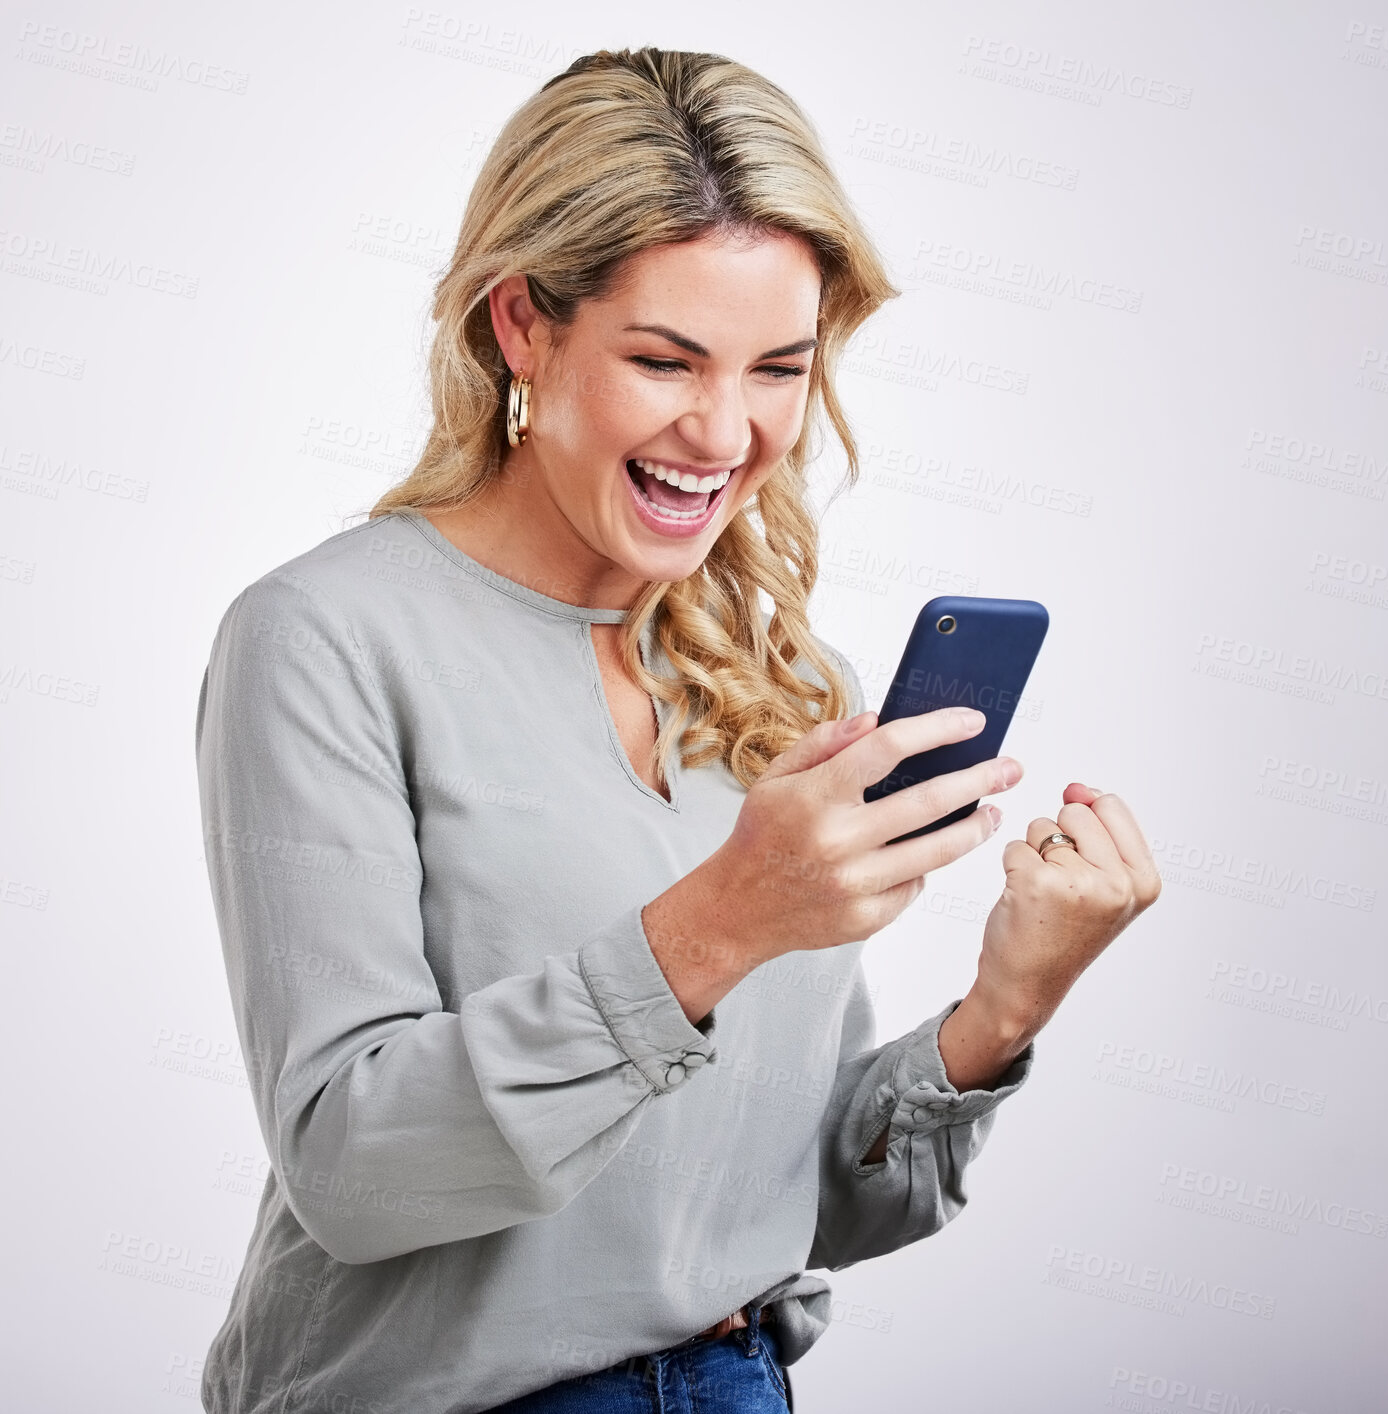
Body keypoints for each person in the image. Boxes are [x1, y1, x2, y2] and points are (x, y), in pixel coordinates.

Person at [194, 46, 1162, 1414]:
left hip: (733, 1382)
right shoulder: (327, 638)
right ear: (521, 323)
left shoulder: (785, 680)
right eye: (664, 358)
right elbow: (353, 1171)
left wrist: (1008, 1003)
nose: (725, 430)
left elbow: (798, 1199)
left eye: (779, 367)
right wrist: (722, 916)